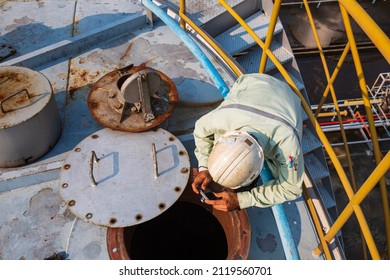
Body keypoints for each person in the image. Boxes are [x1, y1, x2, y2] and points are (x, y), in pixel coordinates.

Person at [191, 73, 304, 212]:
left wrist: (242, 200)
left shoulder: (287, 142)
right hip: (254, 81)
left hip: (287, 96)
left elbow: (292, 189)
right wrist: (204, 167)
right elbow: (200, 129)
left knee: (278, 173)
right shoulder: (221, 117)